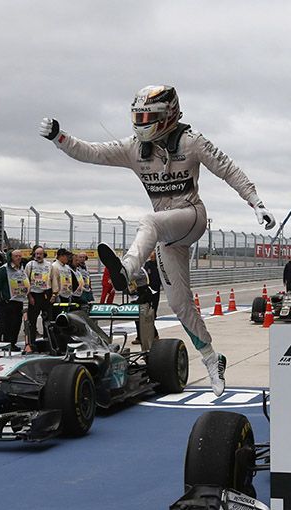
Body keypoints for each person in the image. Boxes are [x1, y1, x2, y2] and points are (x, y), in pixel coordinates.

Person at [40, 85, 277, 395]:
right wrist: (60, 138)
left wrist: (256, 202)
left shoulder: (191, 142)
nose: (141, 122)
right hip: (167, 235)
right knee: (179, 303)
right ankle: (211, 358)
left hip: (191, 216)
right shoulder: (133, 147)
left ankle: (128, 269)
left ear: (168, 115)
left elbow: (227, 169)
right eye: (138, 116)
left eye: (147, 116)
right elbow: (92, 152)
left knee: (148, 220)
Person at [0, 249, 30, 350]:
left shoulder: (21, 269)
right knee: (7, 324)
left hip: (19, 301)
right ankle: (6, 343)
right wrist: (1, 298)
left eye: (20, 256)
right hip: (8, 302)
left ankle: (13, 343)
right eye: (16, 256)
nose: (19, 258)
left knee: (16, 324)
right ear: (11, 257)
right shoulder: (3, 270)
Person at [24, 245, 53, 345]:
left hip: (46, 294)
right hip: (34, 295)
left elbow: (52, 280)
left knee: (47, 319)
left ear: (43, 254)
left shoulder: (49, 265)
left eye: (40, 254)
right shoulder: (30, 265)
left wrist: (53, 295)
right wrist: (29, 296)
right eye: (36, 254)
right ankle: (31, 341)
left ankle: (47, 339)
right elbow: (26, 281)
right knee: (32, 319)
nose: (38, 256)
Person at [133, 251, 161, 349]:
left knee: (146, 315)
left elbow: (136, 277)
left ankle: (154, 334)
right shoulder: (146, 265)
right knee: (138, 316)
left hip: (149, 293)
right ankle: (140, 337)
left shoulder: (141, 270)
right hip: (138, 294)